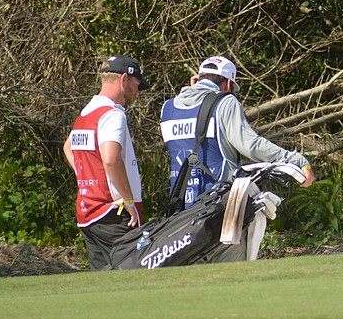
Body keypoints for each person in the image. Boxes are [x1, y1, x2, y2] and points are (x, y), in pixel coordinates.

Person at [160, 56, 315, 209]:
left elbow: (188, 136)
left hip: (180, 204)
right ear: (228, 83)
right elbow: (251, 145)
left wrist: (194, 90)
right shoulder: (225, 101)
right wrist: (295, 160)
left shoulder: (167, 108)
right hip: (216, 203)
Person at [63, 55, 149, 270]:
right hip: (113, 213)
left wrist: (87, 177)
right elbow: (111, 159)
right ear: (123, 80)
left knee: (102, 281)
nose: (137, 92)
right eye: (137, 85)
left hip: (88, 213)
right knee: (134, 274)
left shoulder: (86, 113)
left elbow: (68, 148)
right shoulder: (112, 114)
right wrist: (128, 201)